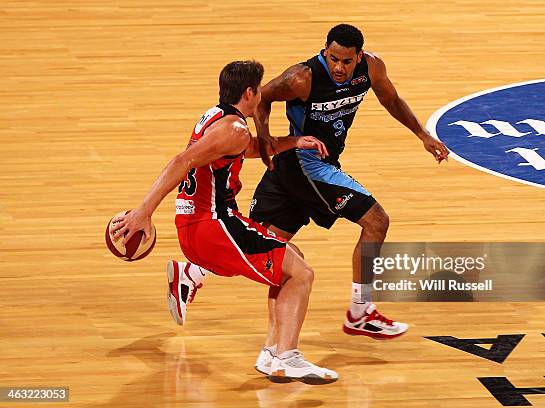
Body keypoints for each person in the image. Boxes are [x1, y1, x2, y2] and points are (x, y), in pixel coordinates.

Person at [109, 60, 337, 384]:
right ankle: (288, 357)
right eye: (259, 90)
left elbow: (246, 149)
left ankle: (273, 353)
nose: (261, 95)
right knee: (302, 274)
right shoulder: (235, 128)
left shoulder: (215, 117)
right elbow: (182, 160)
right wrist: (143, 211)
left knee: (292, 257)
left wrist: (293, 142)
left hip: (202, 223)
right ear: (249, 92)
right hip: (213, 225)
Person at [244, 24, 450, 372]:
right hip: (304, 163)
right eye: (333, 58)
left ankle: (267, 344)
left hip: (317, 163)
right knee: (376, 221)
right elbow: (260, 99)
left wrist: (423, 135)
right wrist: (265, 139)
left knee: (273, 251)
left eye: (346, 61)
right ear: (324, 51)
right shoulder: (301, 78)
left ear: (359, 57)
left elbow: (392, 100)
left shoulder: (372, 67)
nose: (339, 67)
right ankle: (360, 311)